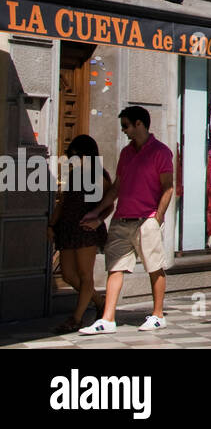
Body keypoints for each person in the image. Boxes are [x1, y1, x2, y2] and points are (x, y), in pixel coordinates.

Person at [78, 106, 173, 335]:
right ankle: (107, 319)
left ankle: (158, 315)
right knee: (115, 268)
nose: (124, 131)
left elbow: (168, 188)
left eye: (126, 126)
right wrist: (98, 212)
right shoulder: (126, 153)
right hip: (121, 218)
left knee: (154, 267)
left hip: (146, 219)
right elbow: (117, 187)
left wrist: (157, 218)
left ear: (139, 124)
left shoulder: (161, 152)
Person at [49, 135, 110, 334]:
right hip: (67, 228)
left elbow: (109, 205)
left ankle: (76, 318)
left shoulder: (100, 175)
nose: (73, 160)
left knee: (85, 275)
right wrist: (51, 224)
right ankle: (100, 302)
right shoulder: (74, 174)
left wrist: (98, 221)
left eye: (77, 155)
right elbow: (64, 201)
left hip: (86, 229)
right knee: (67, 274)